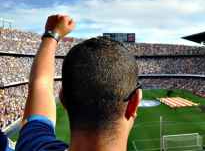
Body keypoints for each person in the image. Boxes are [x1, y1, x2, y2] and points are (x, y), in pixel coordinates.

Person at [15, 14, 142, 151]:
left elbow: (41, 84)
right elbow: (40, 84)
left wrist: (52, 35)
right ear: (134, 103)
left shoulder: (34, 145)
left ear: (63, 99)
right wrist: (51, 35)